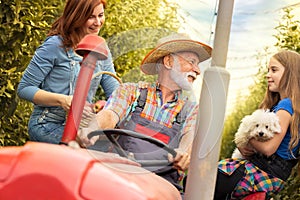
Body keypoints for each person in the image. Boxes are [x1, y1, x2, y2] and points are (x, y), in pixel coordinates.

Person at [78, 33, 212, 189]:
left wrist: (183, 152)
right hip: (120, 175)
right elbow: (110, 114)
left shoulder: (192, 110)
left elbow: (190, 136)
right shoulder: (131, 92)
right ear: (168, 61)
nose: (197, 70)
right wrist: (92, 128)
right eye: (192, 62)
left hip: (161, 186)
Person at [17, 0, 119, 144]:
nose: (98, 22)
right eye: (91, 17)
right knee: (90, 150)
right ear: (76, 17)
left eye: (101, 15)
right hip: (47, 125)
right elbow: (24, 88)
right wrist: (63, 100)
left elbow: (115, 92)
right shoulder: (54, 45)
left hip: (82, 127)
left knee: (116, 150)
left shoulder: (101, 48)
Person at [214, 50, 300, 200]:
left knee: (202, 178)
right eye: (268, 70)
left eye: (274, 70)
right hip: (271, 174)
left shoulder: (286, 106)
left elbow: (268, 148)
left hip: (262, 172)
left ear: (290, 74)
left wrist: (245, 136)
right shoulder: (288, 105)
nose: (268, 75)